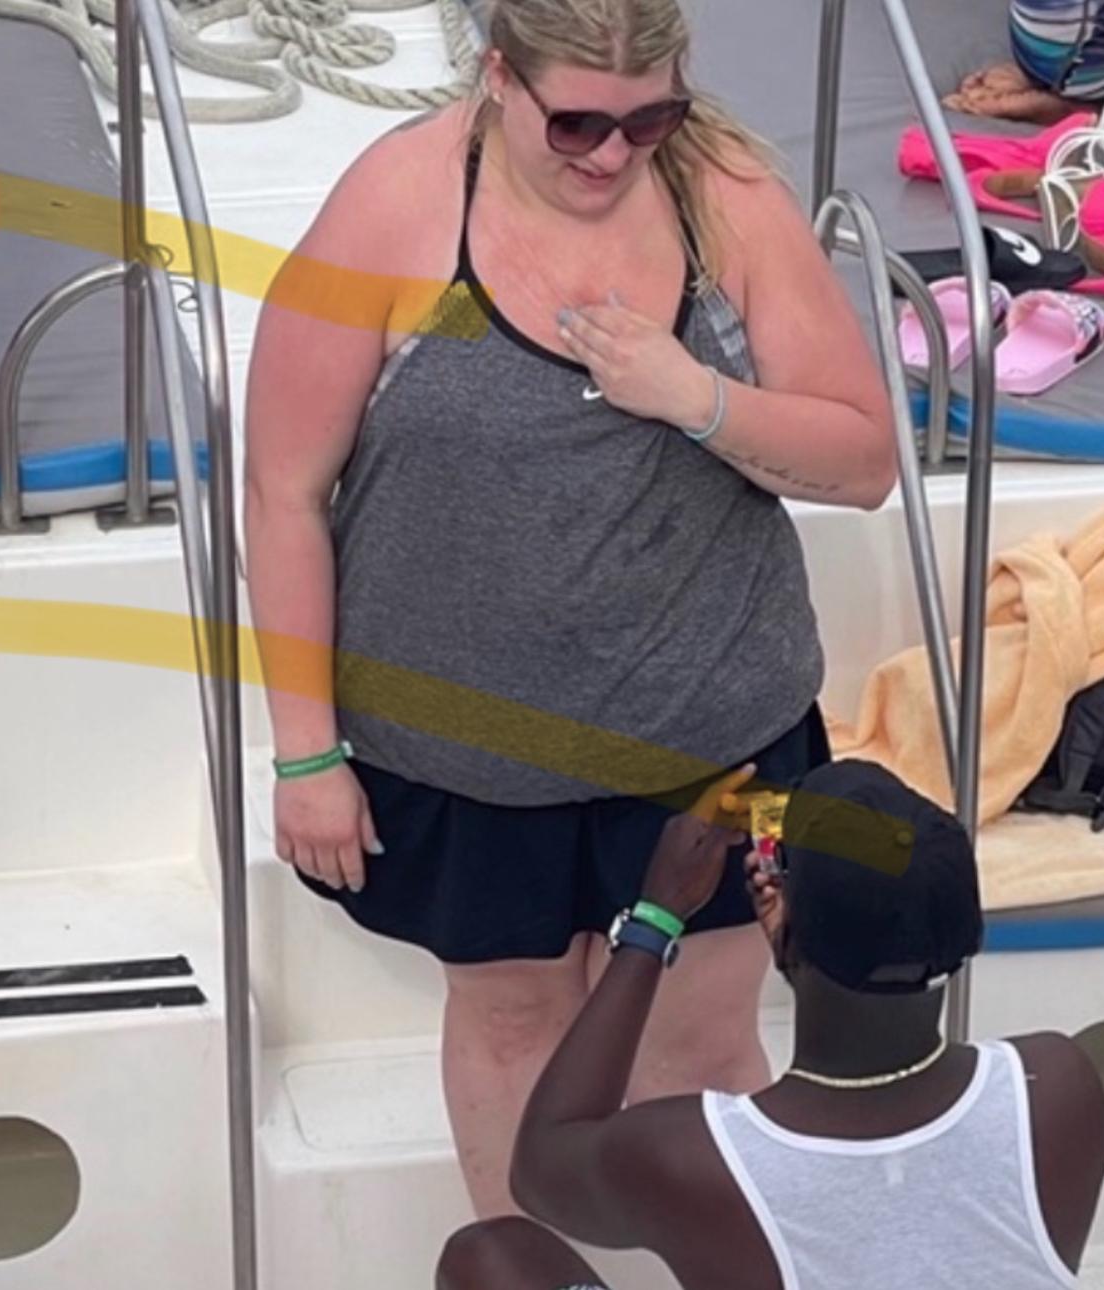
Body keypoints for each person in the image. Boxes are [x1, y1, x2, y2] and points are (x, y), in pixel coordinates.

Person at [243, 0, 896, 1218]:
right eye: (578, 124)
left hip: (712, 740)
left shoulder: (724, 195)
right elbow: (283, 491)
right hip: (470, 763)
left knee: (696, 1046)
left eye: (649, 120)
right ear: (500, 77)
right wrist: (307, 753)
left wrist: (695, 396)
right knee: (514, 1032)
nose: (611, 155)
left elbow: (863, 463)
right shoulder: (396, 207)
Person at [436, 759, 1104, 1289]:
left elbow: (540, 1165)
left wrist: (655, 919)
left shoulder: (699, 1157)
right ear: (969, 931)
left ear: (778, 917)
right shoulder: (1055, 1086)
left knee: (492, 1254)